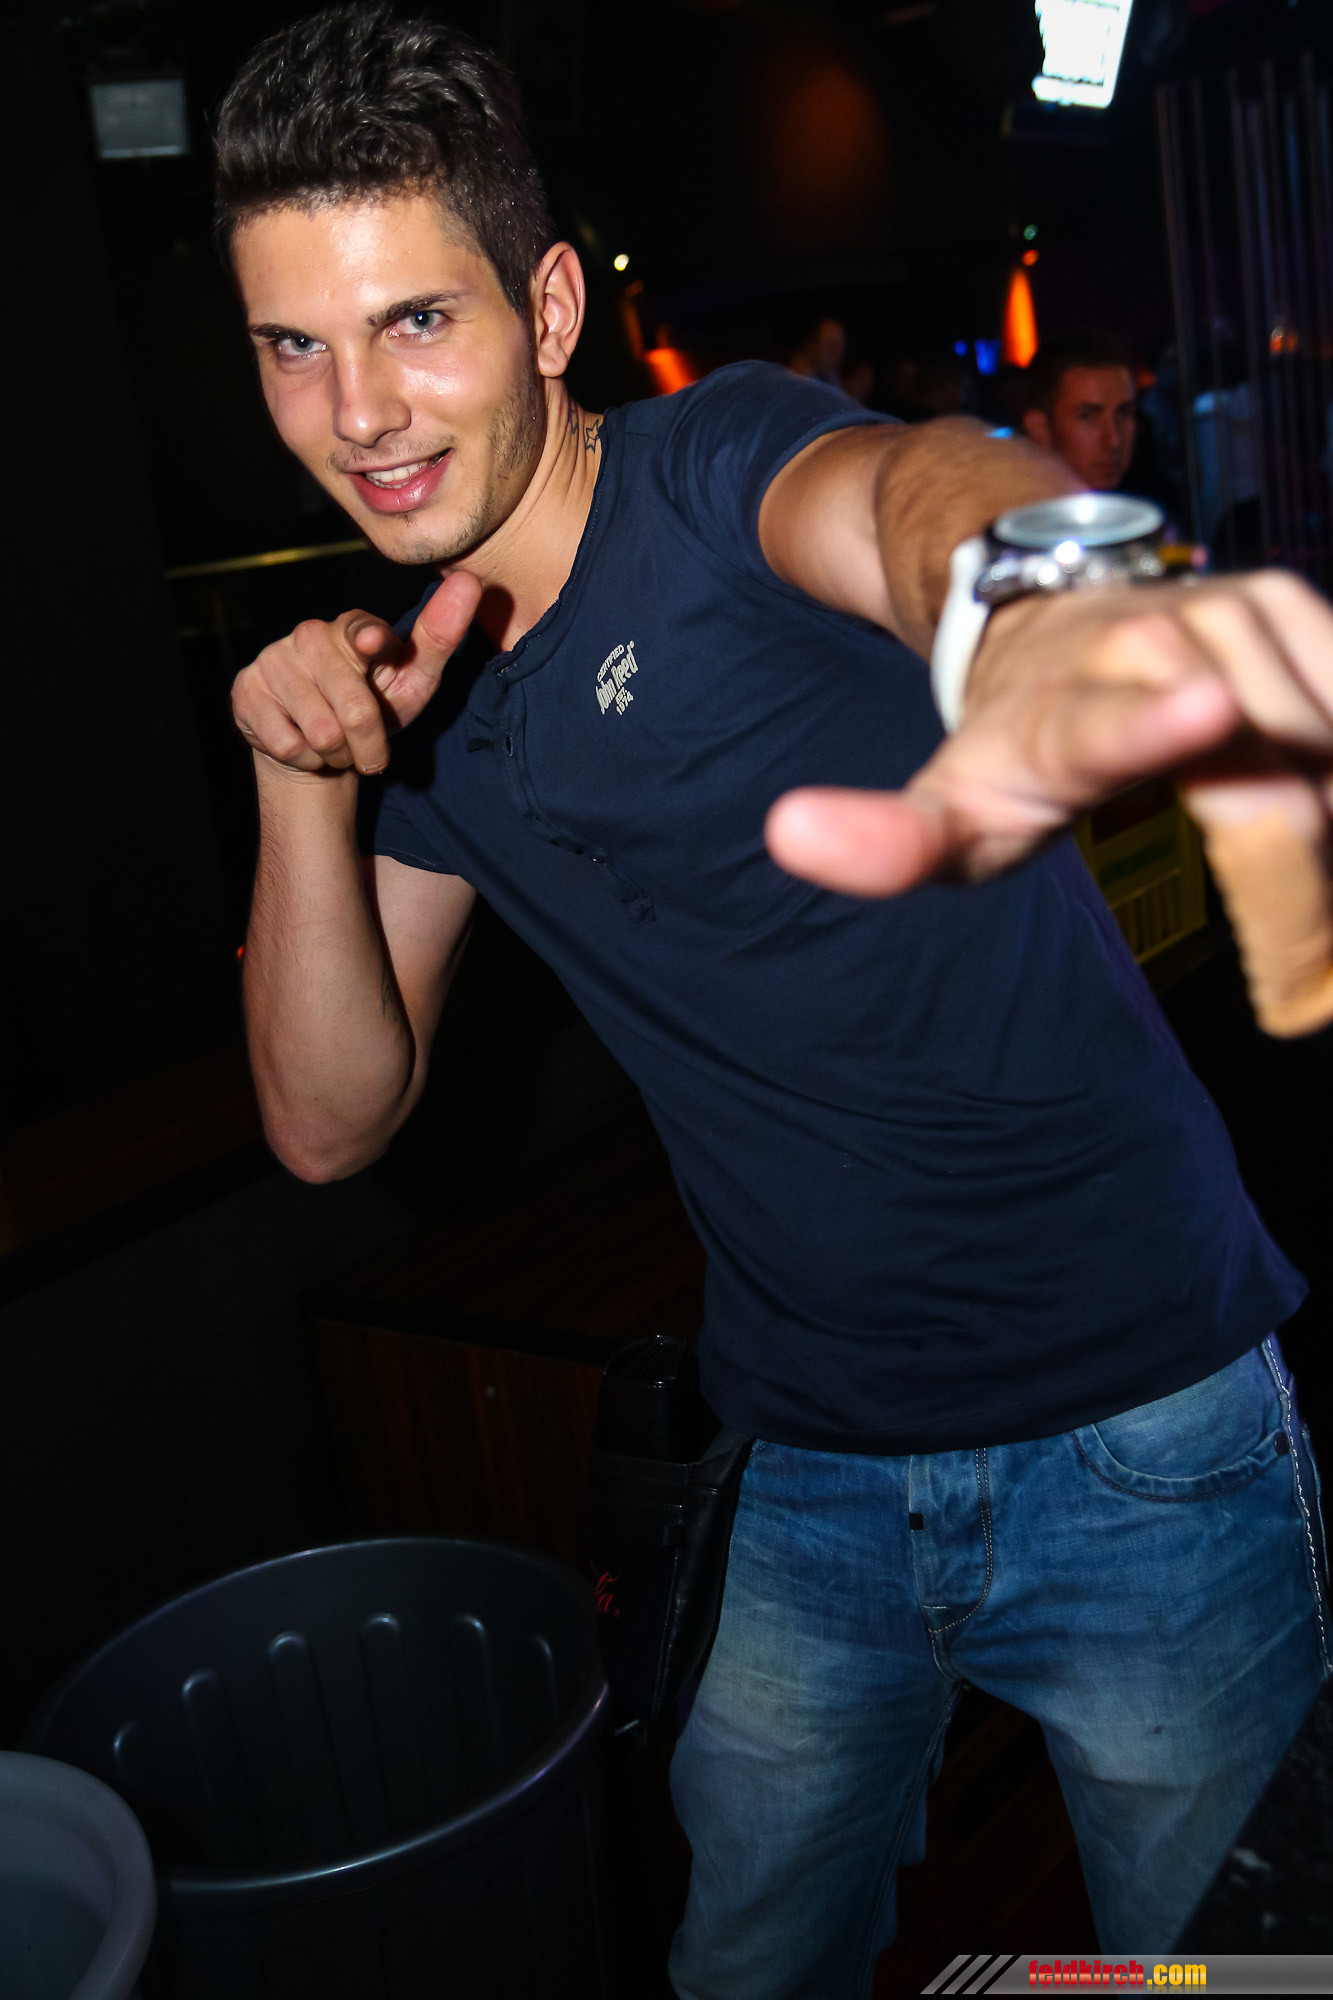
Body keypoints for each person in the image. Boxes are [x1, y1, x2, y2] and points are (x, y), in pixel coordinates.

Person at [220, 10, 1332, 1995]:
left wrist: (1026, 594)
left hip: (1139, 1427)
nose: (356, 410)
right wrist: (299, 787)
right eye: (292, 345)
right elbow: (326, 1119)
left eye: (414, 323)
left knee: (1220, 1978)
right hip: (807, 1458)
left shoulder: (716, 465)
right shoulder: (423, 694)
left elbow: (899, 491)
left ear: (548, 309)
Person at [1020, 330, 1139, 490]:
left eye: (1123, 413)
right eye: (1087, 416)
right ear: (1040, 429)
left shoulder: (1151, 500)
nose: (1114, 441)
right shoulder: (1007, 502)